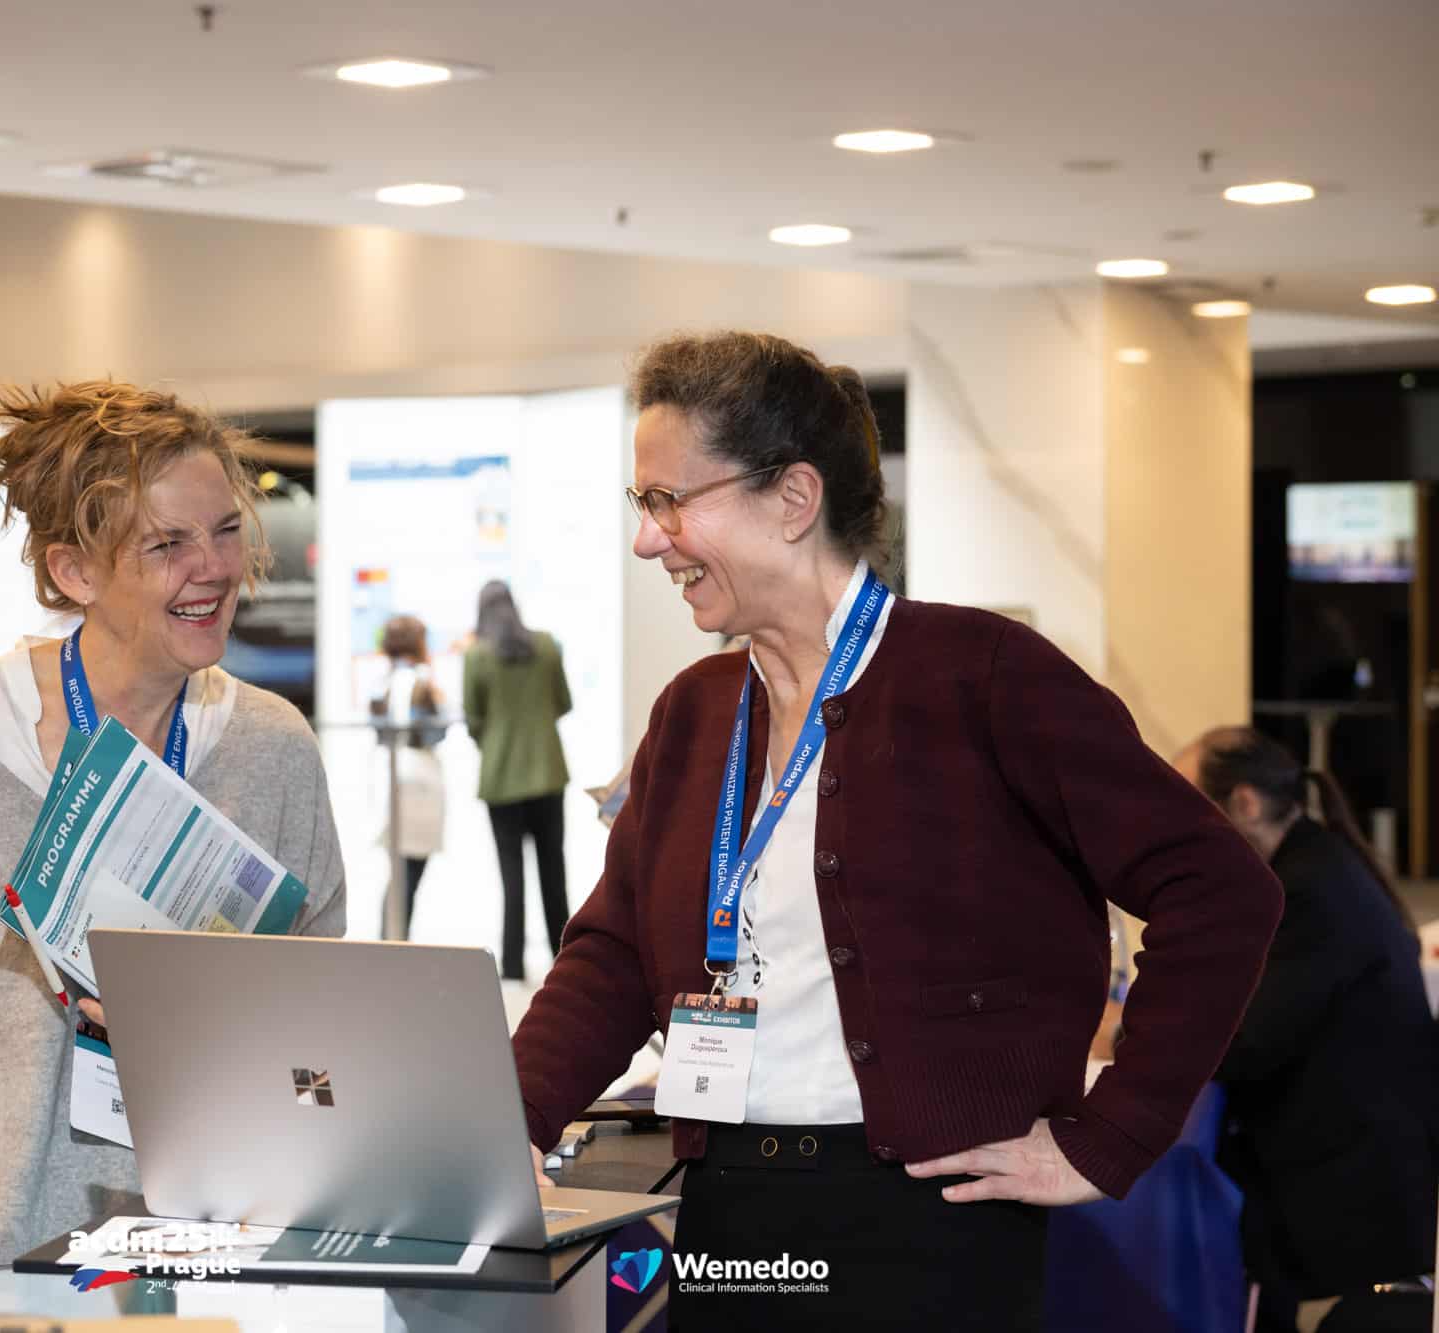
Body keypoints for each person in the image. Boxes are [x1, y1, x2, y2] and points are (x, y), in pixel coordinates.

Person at [508, 331, 1283, 1330]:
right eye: (641, 503)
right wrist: (510, 1121)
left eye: (669, 500)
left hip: (930, 1225)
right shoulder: (693, 712)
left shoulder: (984, 676)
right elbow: (614, 953)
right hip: (730, 1202)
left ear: (793, 498)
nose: (648, 541)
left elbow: (1220, 891)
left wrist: (1111, 1135)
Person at [0, 380, 347, 1312]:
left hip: (205, 1261)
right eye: (167, 544)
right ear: (74, 572)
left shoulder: (273, 749)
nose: (214, 568)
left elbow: (323, 1019)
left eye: (226, 530)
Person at [1175, 727, 1439, 1333]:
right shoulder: (1310, 866)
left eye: (1189, 801)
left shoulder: (1310, 889)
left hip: (1358, 1198)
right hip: (1343, 1178)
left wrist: (1132, 1032)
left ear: (1244, 802)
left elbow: (1243, 1041)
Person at [463, 582, 572, 981]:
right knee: (553, 872)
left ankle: (512, 967)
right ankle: (566, 961)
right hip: (547, 773)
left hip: (501, 778)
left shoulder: (476, 656)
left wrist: (495, 741)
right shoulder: (546, 646)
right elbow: (563, 702)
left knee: (512, 878)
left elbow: (473, 719)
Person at [370, 614, 446, 936]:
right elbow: (434, 733)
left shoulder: (382, 683)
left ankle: (390, 941)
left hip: (389, 775)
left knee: (399, 872)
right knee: (409, 873)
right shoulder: (422, 682)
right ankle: (393, 942)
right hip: (420, 781)